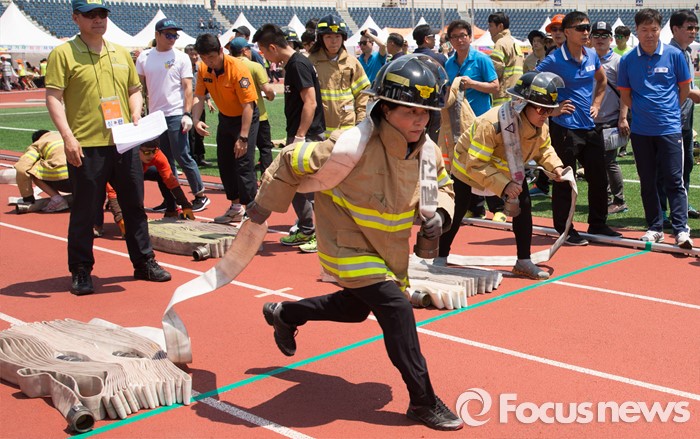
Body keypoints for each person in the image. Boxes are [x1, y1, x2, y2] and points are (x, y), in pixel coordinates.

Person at [247, 54, 463, 431]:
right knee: (396, 309)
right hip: (345, 243)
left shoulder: (427, 153)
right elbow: (290, 160)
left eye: (426, 113)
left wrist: (440, 215)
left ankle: (286, 314)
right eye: (410, 112)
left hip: (387, 250)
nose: (420, 121)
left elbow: (443, 187)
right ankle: (423, 400)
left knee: (354, 309)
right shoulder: (350, 145)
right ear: (385, 108)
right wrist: (262, 209)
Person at [45, 0, 171, 296]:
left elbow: (134, 90)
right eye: (90, 15)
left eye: (102, 14)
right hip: (86, 146)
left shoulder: (120, 52)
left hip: (124, 143)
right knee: (85, 211)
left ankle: (144, 262)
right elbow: (53, 97)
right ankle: (81, 269)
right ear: (76, 18)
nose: (98, 19)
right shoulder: (63, 54)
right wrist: (67, 137)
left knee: (135, 206)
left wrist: (136, 111)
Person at [438, 72, 566, 278]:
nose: (545, 115)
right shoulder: (492, 123)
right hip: (467, 171)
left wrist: (557, 167)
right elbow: (475, 164)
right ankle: (440, 256)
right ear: (522, 104)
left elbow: (544, 149)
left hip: (507, 173)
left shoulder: (539, 125)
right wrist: (505, 186)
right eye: (541, 109)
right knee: (457, 211)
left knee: (524, 206)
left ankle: (523, 261)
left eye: (549, 110)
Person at [536, 11, 620, 245]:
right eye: (581, 28)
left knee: (599, 177)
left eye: (587, 28)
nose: (586, 32)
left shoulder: (591, 54)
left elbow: (602, 80)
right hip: (564, 129)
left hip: (590, 126)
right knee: (565, 181)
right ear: (567, 32)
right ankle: (564, 229)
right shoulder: (554, 59)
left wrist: (596, 104)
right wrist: (552, 110)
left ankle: (598, 223)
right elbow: (529, 84)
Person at [618, 8, 694, 249]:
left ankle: (681, 229)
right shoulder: (627, 60)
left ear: (660, 30)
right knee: (648, 181)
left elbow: (684, 90)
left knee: (674, 180)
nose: (649, 34)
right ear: (637, 31)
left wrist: (668, 110)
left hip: (670, 129)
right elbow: (625, 95)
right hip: (641, 131)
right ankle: (655, 227)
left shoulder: (674, 55)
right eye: (644, 30)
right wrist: (642, 112)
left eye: (654, 29)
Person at [253, 24, 326, 252]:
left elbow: (311, 102)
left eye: (263, 51)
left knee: (310, 187)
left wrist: (300, 136)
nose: (264, 58)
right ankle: (307, 230)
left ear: (272, 47)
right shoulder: (295, 64)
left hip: (307, 135)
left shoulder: (297, 65)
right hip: (301, 133)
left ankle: (319, 235)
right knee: (295, 186)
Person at [136, 19, 210, 213]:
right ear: (157, 35)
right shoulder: (144, 57)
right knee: (165, 160)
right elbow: (140, 87)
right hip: (155, 117)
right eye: (168, 34)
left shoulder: (181, 57)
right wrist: (140, 112)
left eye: (175, 35)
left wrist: (186, 114)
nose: (172, 38)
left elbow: (187, 88)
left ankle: (200, 195)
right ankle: (172, 198)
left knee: (182, 155)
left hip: (175, 113)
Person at [192, 33, 259, 224]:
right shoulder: (203, 68)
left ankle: (252, 213)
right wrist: (195, 120)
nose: (208, 62)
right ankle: (236, 208)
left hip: (245, 117)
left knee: (243, 163)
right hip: (226, 118)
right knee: (225, 162)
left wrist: (243, 137)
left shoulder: (238, 69)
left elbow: (248, 105)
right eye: (204, 58)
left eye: (211, 57)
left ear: (221, 51)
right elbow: (199, 95)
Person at [444, 19, 503, 221]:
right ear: (450, 41)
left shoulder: (481, 60)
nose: (459, 40)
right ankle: (475, 208)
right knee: (465, 164)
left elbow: (495, 87)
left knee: (487, 162)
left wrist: (472, 84)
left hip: (482, 120)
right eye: (454, 37)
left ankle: (498, 208)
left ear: (470, 37)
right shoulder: (449, 64)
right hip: (459, 123)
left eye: (463, 35)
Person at [105, 138, 196, 236]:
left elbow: (171, 181)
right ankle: (97, 224)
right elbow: (112, 190)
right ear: (136, 149)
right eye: (147, 152)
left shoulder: (158, 155)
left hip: (140, 171)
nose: (151, 155)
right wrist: (120, 218)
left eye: (154, 151)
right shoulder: (122, 158)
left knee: (162, 176)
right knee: (99, 189)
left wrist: (185, 205)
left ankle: (171, 211)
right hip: (114, 173)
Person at [590, 21, 630, 215]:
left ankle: (619, 199)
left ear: (611, 39)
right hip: (590, 120)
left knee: (609, 162)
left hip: (610, 119)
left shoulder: (618, 61)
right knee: (595, 162)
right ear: (590, 38)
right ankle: (604, 198)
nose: (600, 39)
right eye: (596, 35)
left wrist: (623, 118)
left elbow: (625, 93)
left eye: (604, 35)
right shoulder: (586, 59)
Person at [308, 15, 370, 139]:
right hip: (320, 130)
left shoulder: (352, 62)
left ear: (343, 38)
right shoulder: (312, 63)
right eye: (328, 37)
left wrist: (361, 119)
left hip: (347, 129)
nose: (334, 41)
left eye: (337, 36)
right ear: (321, 38)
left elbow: (363, 93)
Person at [665, 9, 700, 219]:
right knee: (669, 169)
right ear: (675, 29)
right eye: (689, 28)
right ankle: (662, 212)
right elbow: (679, 89)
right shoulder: (671, 54)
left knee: (685, 166)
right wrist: (695, 95)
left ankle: (682, 205)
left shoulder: (685, 52)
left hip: (684, 122)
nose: (694, 31)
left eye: (696, 28)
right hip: (671, 122)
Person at [226, 37, 276, 178]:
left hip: (236, 116)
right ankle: (266, 180)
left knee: (241, 151)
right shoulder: (255, 66)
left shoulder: (228, 67)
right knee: (265, 148)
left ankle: (242, 181)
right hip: (258, 115)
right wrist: (271, 96)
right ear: (245, 51)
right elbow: (267, 89)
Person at [14, 130, 72, 212]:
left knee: (33, 168)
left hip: (63, 181)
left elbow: (22, 168)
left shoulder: (38, 144)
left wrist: (27, 197)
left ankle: (58, 200)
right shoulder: (66, 136)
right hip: (82, 180)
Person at [184, 44, 213, 167]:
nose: (195, 57)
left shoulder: (200, 68)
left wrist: (208, 100)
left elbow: (204, 87)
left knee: (200, 131)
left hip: (199, 104)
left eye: (196, 54)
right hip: (187, 105)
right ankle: (192, 158)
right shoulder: (183, 69)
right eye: (192, 55)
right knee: (190, 133)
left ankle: (200, 157)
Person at [487, 12, 524, 106]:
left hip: (503, 97)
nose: (489, 29)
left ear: (500, 26)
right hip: (516, 94)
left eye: (491, 26)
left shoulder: (500, 43)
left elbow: (494, 71)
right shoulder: (514, 43)